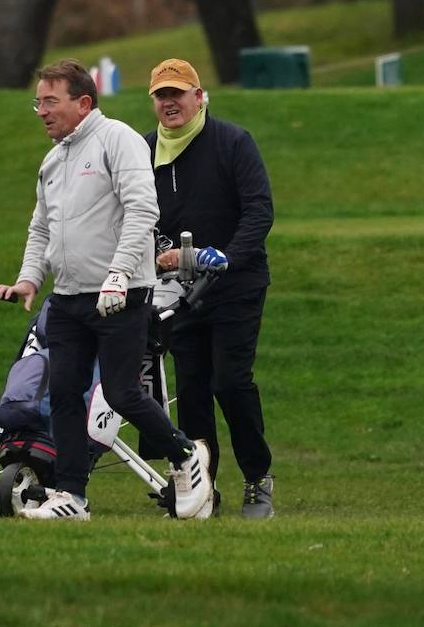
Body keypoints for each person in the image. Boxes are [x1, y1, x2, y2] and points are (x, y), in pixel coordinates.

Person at [0, 58, 212, 521]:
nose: (41, 111)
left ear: (83, 103)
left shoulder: (117, 139)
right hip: (68, 297)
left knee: (120, 393)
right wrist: (29, 277)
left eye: (50, 101)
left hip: (122, 294)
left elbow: (142, 210)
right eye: (38, 102)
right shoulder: (53, 160)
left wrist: (118, 274)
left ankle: (186, 454)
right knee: (65, 394)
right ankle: (72, 496)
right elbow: (41, 227)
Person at [145, 57, 276, 519]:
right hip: (177, 291)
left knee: (231, 383)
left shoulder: (233, 142)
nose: (169, 103)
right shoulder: (143, 151)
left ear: (199, 97)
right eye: (161, 95)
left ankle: (258, 478)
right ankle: (202, 490)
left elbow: (259, 211)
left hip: (235, 284)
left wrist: (226, 256)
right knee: (192, 392)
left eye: (178, 94)